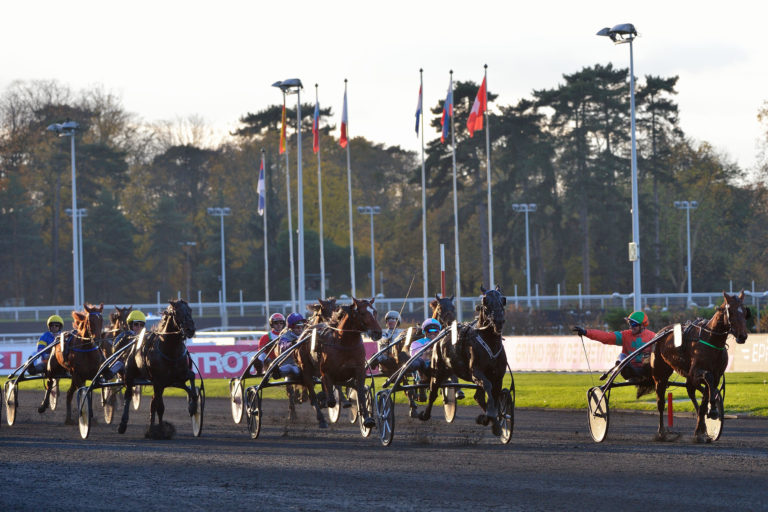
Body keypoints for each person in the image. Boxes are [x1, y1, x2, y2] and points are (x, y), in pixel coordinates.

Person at [572, 310, 656, 386]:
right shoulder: (625, 335)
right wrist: (586, 332)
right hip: (630, 371)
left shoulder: (653, 336)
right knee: (621, 356)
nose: (631, 326)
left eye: (633, 324)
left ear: (642, 325)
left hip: (647, 370)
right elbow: (606, 337)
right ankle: (633, 372)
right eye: (629, 323)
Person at [101, 310, 147, 380]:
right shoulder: (124, 335)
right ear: (131, 325)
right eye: (136, 324)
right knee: (119, 363)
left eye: (141, 325)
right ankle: (107, 375)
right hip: (125, 365)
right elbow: (114, 350)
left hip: (141, 364)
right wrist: (124, 339)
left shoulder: (146, 336)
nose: (139, 327)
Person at [409, 318, 441, 401]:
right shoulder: (417, 343)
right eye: (430, 330)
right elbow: (415, 358)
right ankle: (421, 382)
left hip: (440, 368)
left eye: (436, 331)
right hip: (424, 369)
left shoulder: (442, 343)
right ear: (425, 332)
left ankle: (457, 390)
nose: (433, 332)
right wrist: (426, 353)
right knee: (420, 361)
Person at [273, 313, 306, 380]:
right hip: (290, 363)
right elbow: (283, 345)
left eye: (302, 327)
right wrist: (291, 344)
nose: (300, 329)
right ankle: (278, 372)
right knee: (291, 368)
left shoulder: (306, 334)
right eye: (297, 327)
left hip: (303, 364)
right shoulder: (285, 336)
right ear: (291, 328)